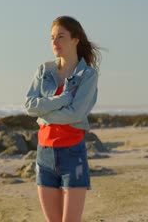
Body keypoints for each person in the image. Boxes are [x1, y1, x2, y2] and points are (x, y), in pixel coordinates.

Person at [24, 15, 104, 222]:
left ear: (75, 39)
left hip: (72, 153)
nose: (55, 42)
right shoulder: (44, 71)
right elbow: (30, 106)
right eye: (52, 37)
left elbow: (76, 114)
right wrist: (63, 99)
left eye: (61, 36)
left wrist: (45, 115)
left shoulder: (87, 75)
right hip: (44, 153)